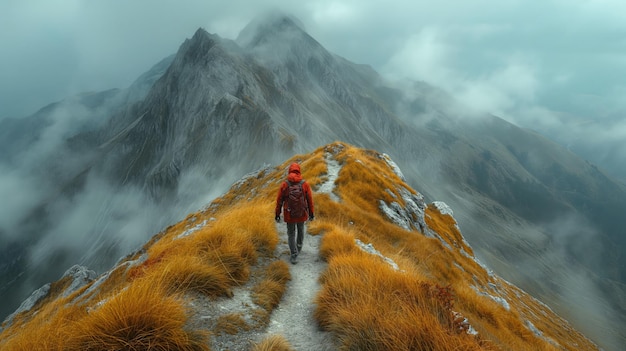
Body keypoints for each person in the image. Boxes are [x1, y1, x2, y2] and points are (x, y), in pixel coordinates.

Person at [275, 163, 314, 264]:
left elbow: (279, 200)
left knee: (291, 233)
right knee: (300, 230)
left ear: (289, 171)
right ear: (299, 171)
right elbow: (310, 200)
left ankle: (293, 254)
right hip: (302, 213)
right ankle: (299, 248)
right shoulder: (304, 184)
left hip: (289, 214)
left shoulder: (285, 184)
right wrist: (311, 213)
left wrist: (277, 214)